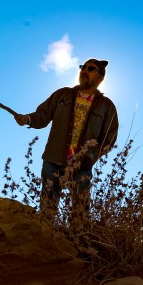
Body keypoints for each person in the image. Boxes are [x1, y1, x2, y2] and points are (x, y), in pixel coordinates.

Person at [14, 58, 120, 218]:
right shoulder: (62, 94)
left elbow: (109, 138)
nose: (84, 70)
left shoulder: (106, 106)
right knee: (47, 211)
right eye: (82, 67)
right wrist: (28, 119)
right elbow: (43, 114)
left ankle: (77, 241)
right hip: (53, 159)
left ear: (100, 78)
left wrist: (91, 156)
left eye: (90, 69)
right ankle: (46, 239)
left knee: (79, 214)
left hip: (81, 165)